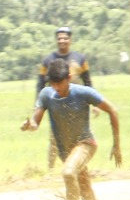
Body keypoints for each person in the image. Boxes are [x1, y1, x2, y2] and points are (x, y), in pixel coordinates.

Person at [21, 59, 122, 200]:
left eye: (60, 83)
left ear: (68, 78)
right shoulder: (46, 95)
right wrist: (28, 126)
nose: (57, 88)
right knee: (85, 190)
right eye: (53, 84)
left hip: (86, 144)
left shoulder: (83, 93)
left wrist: (116, 145)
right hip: (66, 151)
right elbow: (35, 123)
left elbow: (113, 110)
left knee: (68, 172)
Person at [35, 27, 93, 168]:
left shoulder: (80, 59)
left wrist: (93, 104)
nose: (62, 41)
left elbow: (87, 81)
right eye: (59, 38)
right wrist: (37, 106)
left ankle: (78, 166)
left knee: (80, 136)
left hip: (77, 104)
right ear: (56, 40)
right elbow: (40, 83)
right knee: (55, 136)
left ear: (70, 40)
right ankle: (51, 169)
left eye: (65, 38)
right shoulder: (48, 61)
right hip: (56, 104)